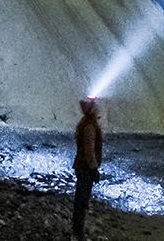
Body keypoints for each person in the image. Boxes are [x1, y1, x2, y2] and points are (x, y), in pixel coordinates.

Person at [72, 97, 104, 239]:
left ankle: (77, 232)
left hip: (82, 167)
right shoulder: (90, 127)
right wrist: (94, 169)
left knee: (81, 199)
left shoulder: (85, 124)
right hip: (85, 168)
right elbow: (89, 150)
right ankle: (77, 234)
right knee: (82, 201)